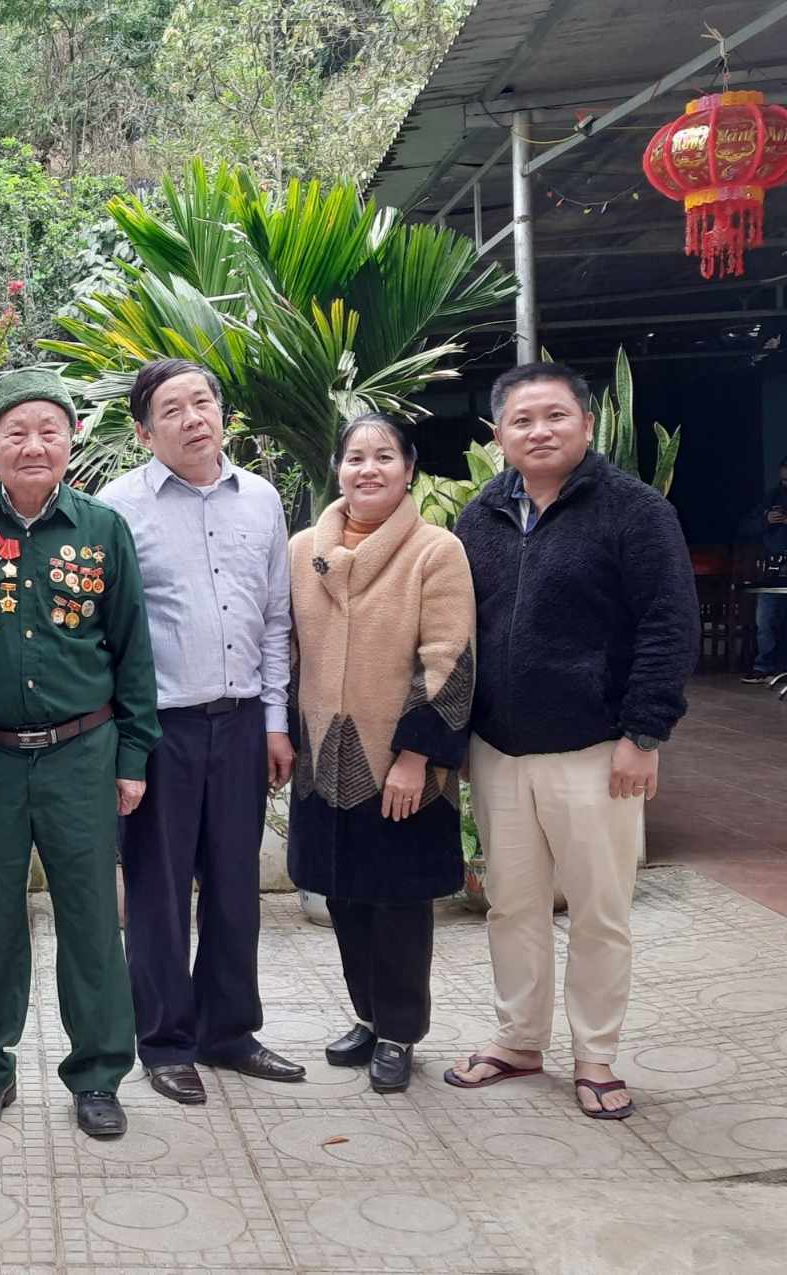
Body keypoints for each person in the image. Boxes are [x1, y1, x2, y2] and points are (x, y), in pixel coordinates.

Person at [446, 361, 698, 1121]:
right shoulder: (480, 516)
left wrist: (644, 732)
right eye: (521, 420)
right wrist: (455, 735)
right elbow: (459, 633)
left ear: (586, 424)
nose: (539, 431)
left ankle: (595, 1055)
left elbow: (669, 624)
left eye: (555, 416)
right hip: (498, 749)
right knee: (511, 904)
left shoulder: (634, 510)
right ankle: (520, 1040)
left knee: (598, 908)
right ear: (498, 437)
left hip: (597, 749)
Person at [0, 367, 159, 1142]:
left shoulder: (101, 530)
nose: (33, 445)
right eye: (15, 432)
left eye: (47, 430)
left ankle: (97, 1075)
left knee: (91, 918)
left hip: (81, 753)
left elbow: (131, 649)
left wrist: (132, 754)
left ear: (70, 440)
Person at [100, 357, 306, 1104]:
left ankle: (230, 1031)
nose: (193, 418)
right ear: (144, 429)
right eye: (173, 408)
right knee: (156, 889)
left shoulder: (262, 500)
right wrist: (124, 743)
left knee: (234, 885)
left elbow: (278, 618)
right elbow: (107, 634)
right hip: (160, 729)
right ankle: (163, 1040)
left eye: (203, 402)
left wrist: (276, 721)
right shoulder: (116, 506)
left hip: (245, 721)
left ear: (223, 414)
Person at [286, 413, 475, 1095]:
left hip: (398, 761)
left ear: (409, 469)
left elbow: (448, 661)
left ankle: (399, 1030)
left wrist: (416, 755)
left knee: (398, 901)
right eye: (356, 457)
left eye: (384, 456)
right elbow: (289, 650)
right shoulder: (304, 547)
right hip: (321, 758)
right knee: (342, 894)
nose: (369, 469)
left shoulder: (436, 550)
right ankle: (367, 1015)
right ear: (338, 469)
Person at [738, 453, 787, 682]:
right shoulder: (773, 497)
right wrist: (767, 519)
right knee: (765, 619)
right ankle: (764, 666)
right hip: (774, 567)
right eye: (784, 481)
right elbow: (747, 526)